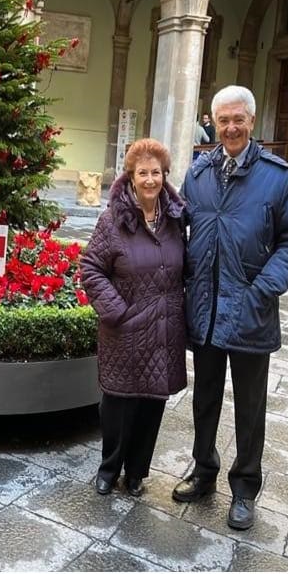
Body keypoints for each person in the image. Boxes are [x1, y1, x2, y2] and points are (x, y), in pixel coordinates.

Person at [178, 84, 288, 531]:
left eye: (238, 120)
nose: (230, 127)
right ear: (213, 122)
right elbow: (180, 231)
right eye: (222, 120)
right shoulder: (198, 172)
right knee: (204, 398)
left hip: (250, 309)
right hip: (206, 308)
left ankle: (245, 487)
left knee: (249, 408)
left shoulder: (279, 176)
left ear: (251, 122)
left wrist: (262, 291)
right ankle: (203, 470)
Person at [80, 138, 188, 496]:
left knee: (151, 404)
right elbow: (91, 269)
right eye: (143, 172)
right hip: (124, 330)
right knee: (117, 404)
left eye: (156, 172)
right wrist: (117, 312)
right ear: (131, 176)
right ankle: (109, 469)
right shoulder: (113, 220)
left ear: (164, 175)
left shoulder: (176, 219)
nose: (150, 179)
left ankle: (137, 472)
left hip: (162, 330)